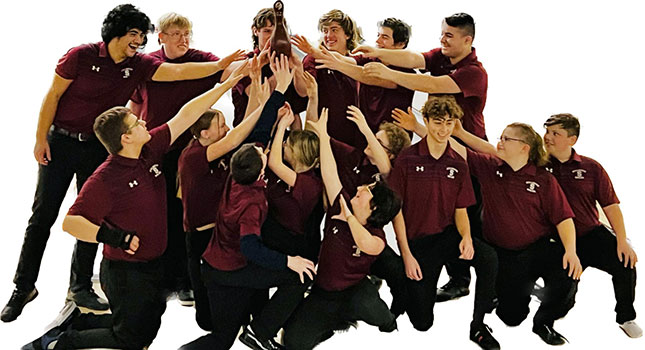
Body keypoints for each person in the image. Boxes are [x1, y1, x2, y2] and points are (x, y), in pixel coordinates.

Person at [1, 3, 244, 322]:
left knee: (94, 215)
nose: (139, 41)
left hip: (98, 147)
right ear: (116, 33)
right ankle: (23, 287)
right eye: (134, 34)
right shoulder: (81, 55)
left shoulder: (140, 64)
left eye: (143, 37)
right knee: (42, 215)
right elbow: (53, 96)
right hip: (60, 142)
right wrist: (40, 138)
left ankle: (79, 287)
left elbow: (180, 71)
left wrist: (222, 67)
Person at [22, 61, 246, 350]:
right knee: (131, 338)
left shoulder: (149, 148)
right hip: (126, 273)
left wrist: (225, 86)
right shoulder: (106, 178)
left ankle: (77, 320)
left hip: (154, 263)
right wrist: (115, 237)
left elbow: (186, 115)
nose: (142, 121)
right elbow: (71, 222)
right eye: (135, 123)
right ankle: (60, 343)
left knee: (148, 324)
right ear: (125, 138)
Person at [180, 55, 314, 350]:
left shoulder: (236, 173)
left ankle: (256, 330)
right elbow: (250, 246)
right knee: (297, 276)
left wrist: (276, 101)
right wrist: (287, 261)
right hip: (226, 264)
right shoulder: (250, 200)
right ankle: (258, 331)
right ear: (262, 169)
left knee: (222, 339)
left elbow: (257, 135)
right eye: (221, 125)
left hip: (216, 261)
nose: (266, 153)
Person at [358, 13, 488, 302]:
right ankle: (442, 274)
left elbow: (433, 86)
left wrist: (387, 73)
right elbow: (415, 59)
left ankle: (465, 280)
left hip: (469, 155)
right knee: (440, 213)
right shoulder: (441, 56)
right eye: (442, 33)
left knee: (470, 219)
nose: (442, 39)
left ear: (468, 40)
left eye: (449, 36)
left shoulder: (474, 73)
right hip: (438, 152)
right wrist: (378, 53)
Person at [129, 12, 243, 307]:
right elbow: (135, 106)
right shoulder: (147, 65)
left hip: (190, 155)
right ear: (161, 37)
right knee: (157, 215)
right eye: (176, 34)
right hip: (154, 151)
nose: (183, 39)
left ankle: (184, 281)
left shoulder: (202, 60)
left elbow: (229, 72)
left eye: (186, 34)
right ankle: (163, 277)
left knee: (184, 218)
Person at [450, 118, 583, 345]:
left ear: (524, 147)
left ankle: (544, 322)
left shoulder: (544, 180)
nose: (499, 142)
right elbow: (454, 148)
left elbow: (564, 219)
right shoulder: (489, 167)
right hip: (504, 254)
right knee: (511, 317)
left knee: (568, 274)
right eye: (500, 137)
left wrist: (571, 251)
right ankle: (512, 294)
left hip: (536, 247)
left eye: (506, 138)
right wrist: (421, 128)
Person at [282, 107, 401, 350]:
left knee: (381, 317)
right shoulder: (342, 204)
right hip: (323, 293)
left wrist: (349, 217)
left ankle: (387, 321)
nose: (358, 190)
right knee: (293, 342)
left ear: (374, 208)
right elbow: (329, 172)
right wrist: (324, 137)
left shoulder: (376, 237)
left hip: (354, 291)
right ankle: (331, 324)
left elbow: (366, 243)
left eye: (364, 193)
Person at [387, 95, 499, 349]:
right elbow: (396, 212)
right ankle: (405, 292)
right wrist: (406, 254)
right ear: (425, 121)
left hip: (447, 236)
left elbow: (461, 209)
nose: (444, 129)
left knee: (489, 257)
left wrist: (467, 238)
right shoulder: (407, 159)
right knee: (422, 323)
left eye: (449, 123)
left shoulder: (458, 163)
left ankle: (479, 325)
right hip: (419, 244)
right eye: (438, 122)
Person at [178, 56, 272, 331]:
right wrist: (269, 102)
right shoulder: (194, 156)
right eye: (221, 125)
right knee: (207, 298)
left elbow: (242, 126)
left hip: (219, 228)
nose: (227, 128)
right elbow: (236, 137)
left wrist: (256, 82)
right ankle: (211, 328)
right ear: (204, 133)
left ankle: (242, 320)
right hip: (200, 234)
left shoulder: (215, 147)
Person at [542, 113, 641, 338]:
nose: (548, 137)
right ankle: (552, 308)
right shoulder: (537, 166)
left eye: (555, 133)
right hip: (555, 241)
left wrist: (621, 240)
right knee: (563, 299)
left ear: (572, 139)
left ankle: (626, 317)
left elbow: (610, 205)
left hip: (589, 234)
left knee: (625, 263)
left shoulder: (591, 167)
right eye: (547, 131)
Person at [311, 17, 415, 141]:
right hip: (364, 134)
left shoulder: (407, 73)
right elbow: (346, 59)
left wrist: (337, 65)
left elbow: (371, 77)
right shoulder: (370, 59)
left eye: (385, 37)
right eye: (378, 35)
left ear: (400, 44)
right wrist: (314, 51)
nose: (378, 40)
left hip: (391, 140)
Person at [292, 9, 366, 148]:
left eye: (334, 30)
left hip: (355, 136)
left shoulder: (358, 60)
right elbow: (303, 91)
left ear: (348, 34)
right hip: (324, 134)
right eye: (325, 31)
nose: (328, 35)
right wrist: (296, 67)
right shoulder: (313, 59)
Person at [231, 8, 308, 127]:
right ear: (256, 31)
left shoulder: (288, 59)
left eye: (276, 32)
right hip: (248, 134)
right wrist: (281, 74)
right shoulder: (245, 62)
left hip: (280, 134)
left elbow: (302, 94)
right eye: (267, 31)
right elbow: (255, 97)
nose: (272, 37)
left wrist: (297, 69)